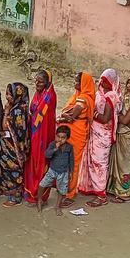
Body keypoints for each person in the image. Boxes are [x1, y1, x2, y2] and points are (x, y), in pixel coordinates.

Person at [55, 71, 95, 207]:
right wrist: (66, 114)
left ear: (83, 83)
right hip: (72, 131)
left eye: (77, 81)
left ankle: (70, 193)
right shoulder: (78, 96)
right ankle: (64, 186)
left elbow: (72, 114)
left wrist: (66, 114)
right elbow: (67, 113)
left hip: (76, 133)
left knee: (72, 162)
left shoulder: (83, 98)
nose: (75, 83)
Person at [81, 69, 120, 207]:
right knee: (91, 160)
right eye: (102, 79)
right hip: (94, 132)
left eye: (106, 81)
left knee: (99, 164)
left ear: (112, 83)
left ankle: (101, 195)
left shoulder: (111, 96)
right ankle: (94, 187)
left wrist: (93, 114)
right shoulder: (100, 93)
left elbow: (105, 118)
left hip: (103, 135)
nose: (102, 83)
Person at [106, 74, 130, 202]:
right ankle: (117, 189)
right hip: (124, 133)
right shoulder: (129, 97)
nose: (128, 86)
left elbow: (126, 119)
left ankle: (125, 193)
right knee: (119, 162)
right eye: (127, 83)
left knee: (127, 164)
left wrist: (114, 112)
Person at [24, 69, 58, 205]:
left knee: (41, 164)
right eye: (36, 81)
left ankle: (40, 196)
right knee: (32, 162)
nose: (37, 84)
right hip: (34, 134)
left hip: (43, 136)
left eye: (40, 82)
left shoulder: (49, 97)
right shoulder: (38, 94)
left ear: (47, 82)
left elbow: (43, 119)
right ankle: (31, 191)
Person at [0, 82, 30, 206]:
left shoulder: (18, 110)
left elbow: (6, 127)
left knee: (13, 170)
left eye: (10, 94)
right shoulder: (15, 106)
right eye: (6, 93)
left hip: (14, 147)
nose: (7, 97)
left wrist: (6, 112)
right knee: (6, 169)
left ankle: (15, 197)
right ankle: (7, 190)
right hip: (7, 145)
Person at [38, 125, 74, 216]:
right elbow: (47, 155)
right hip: (52, 170)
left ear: (67, 138)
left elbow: (71, 160)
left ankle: (58, 206)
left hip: (64, 172)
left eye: (63, 138)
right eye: (58, 136)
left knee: (61, 190)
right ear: (55, 136)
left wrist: (71, 171)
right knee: (42, 184)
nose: (60, 139)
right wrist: (55, 149)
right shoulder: (53, 144)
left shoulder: (69, 147)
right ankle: (39, 200)